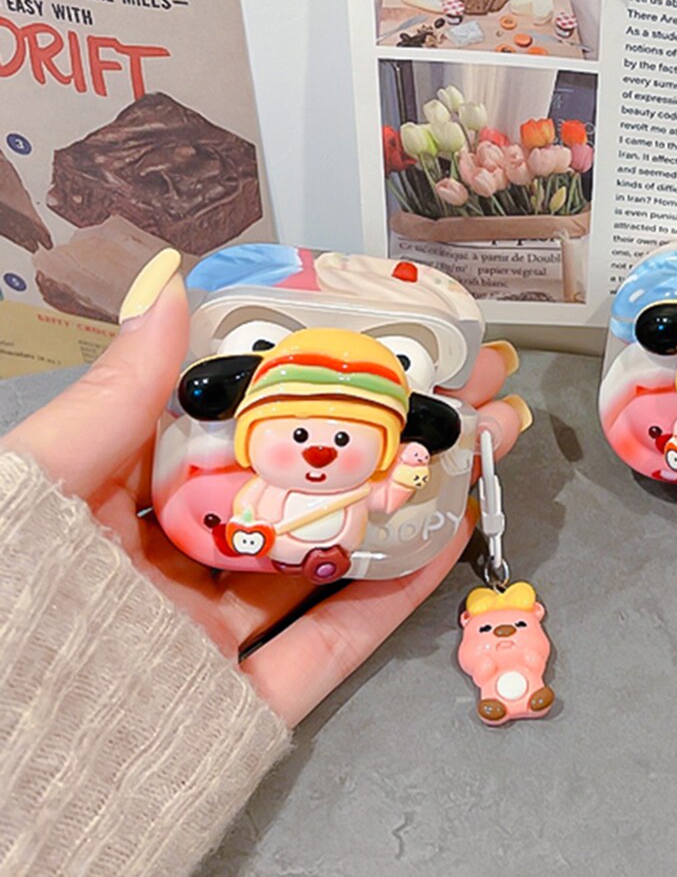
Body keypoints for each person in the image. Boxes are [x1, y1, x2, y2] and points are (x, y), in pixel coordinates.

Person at [0, 250, 528, 876]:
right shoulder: (244, 486)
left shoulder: (363, 486)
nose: (321, 453)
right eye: (300, 435)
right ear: (253, 436)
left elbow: (385, 496)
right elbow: (247, 510)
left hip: (327, 549)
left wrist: (408, 471)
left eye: (344, 440)